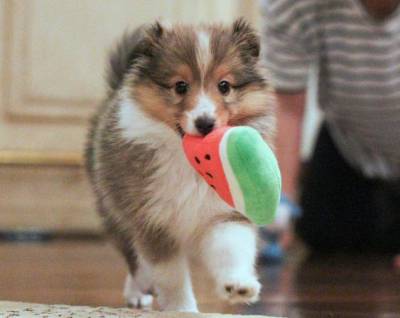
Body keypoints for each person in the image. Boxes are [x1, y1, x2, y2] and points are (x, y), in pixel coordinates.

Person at [260, 0, 400, 259]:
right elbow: (287, 107)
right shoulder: (292, 5)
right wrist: (278, 207)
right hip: (350, 146)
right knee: (320, 234)